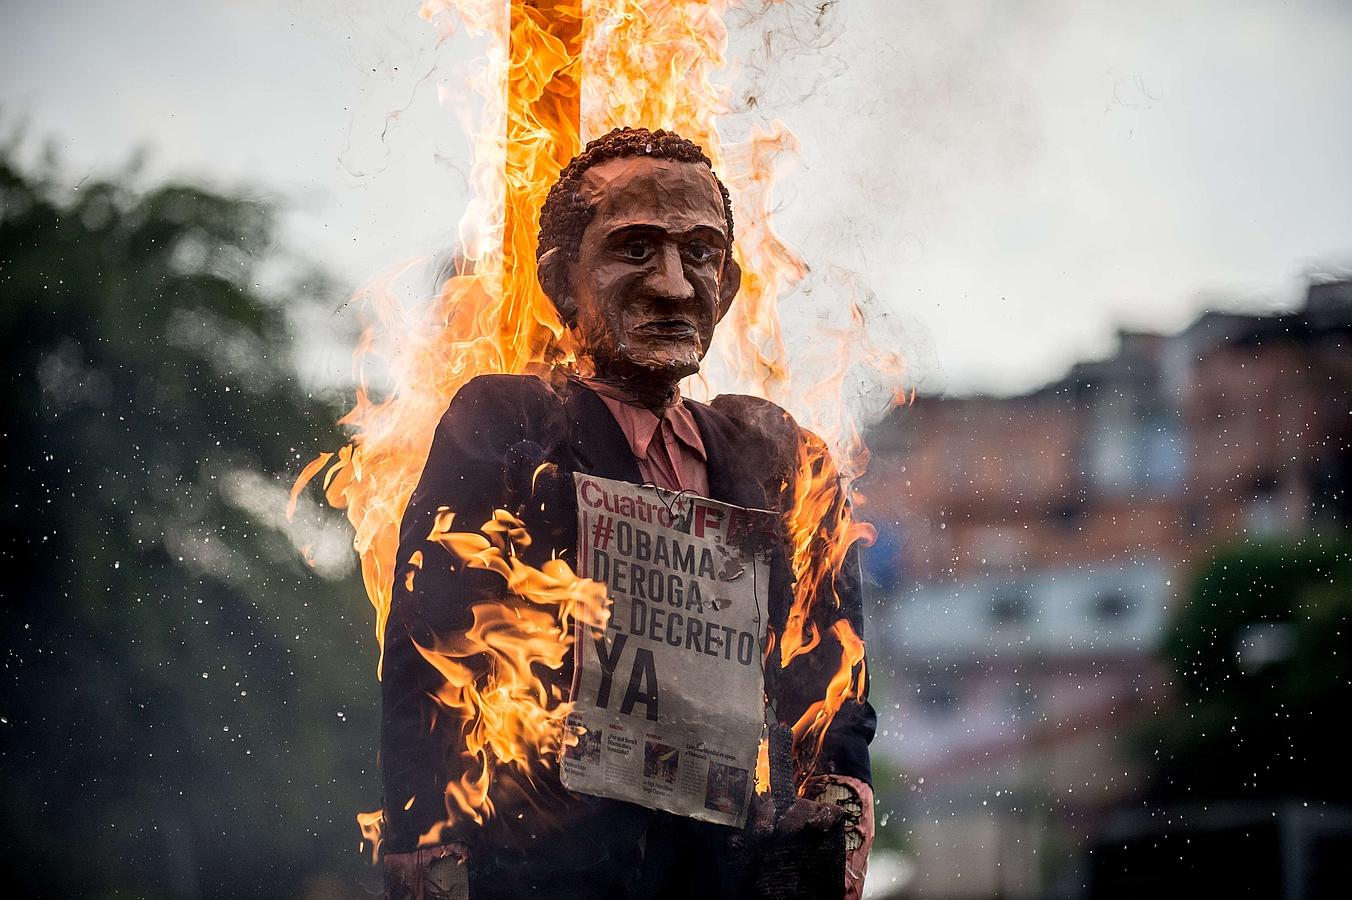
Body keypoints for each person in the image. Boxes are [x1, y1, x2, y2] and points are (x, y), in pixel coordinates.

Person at [381, 127, 875, 900]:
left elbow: (829, 667)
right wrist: (425, 839)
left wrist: (841, 799)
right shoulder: (512, 423)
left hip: (725, 873)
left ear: (729, 285)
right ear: (561, 279)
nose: (673, 286)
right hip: (549, 865)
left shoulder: (778, 458)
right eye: (635, 249)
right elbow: (430, 635)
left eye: (701, 253)